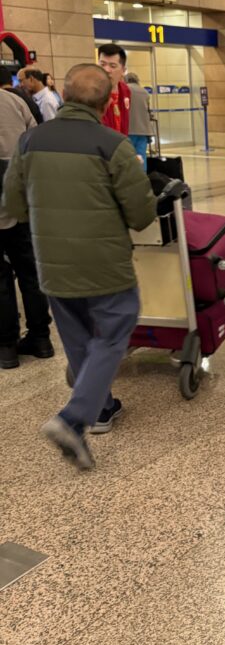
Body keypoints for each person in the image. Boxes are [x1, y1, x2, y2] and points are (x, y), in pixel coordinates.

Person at [2, 63, 156, 469]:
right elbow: (142, 214)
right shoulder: (113, 145)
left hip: (52, 265)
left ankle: (100, 408)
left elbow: (13, 204)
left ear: (64, 95)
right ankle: (73, 418)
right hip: (105, 265)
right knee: (113, 331)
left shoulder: (29, 141)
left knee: (78, 340)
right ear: (106, 103)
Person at [0, 89, 53, 369]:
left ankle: (6, 346)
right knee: (29, 271)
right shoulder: (15, 100)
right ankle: (41, 338)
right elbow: (36, 141)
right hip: (20, 196)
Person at [97, 43, 131, 135]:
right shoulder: (92, 91)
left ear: (123, 70)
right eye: (102, 64)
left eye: (112, 66)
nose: (106, 70)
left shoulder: (125, 90)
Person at [125, 71, 153, 169]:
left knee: (128, 156)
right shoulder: (145, 92)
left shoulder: (125, 89)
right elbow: (148, 110)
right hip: (143, 130)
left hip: (129, 129)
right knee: (141, 156)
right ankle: (142, 176)